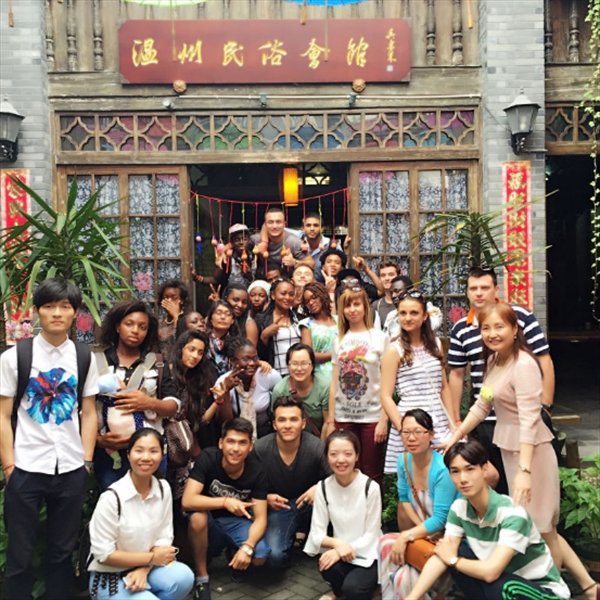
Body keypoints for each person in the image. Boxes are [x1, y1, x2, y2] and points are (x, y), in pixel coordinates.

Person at [442, 302, 598, 599]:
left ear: (515, 329)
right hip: (512, 451)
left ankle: (553, 592)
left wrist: (525, 471)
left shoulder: (524, 364)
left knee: (541, 527)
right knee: (541, 526)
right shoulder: (494, 361)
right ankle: (589, 587)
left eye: (499, 326)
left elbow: (529, 420)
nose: (492, 333)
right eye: (486, 328)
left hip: (533, 453)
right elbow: (482, 405)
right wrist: (456, 436)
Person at [0, 278, 99, 600]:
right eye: (49, 306)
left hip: (70, 467)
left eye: (65, 306)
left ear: (75, 312)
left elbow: (89, 412)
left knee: (61, 554)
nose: (57, 313)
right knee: (20, 555)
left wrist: (86, 461)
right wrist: (9, 466)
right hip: (26, 466)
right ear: (37, 311)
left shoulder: (84, 357)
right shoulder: (15, 357)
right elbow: (2, 415)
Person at [406, 439, 571, 600]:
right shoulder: (459, 508)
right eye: (455, 471)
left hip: (542, 591)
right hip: (499, 583)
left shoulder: (512, 514)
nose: (463, 479)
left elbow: (491, 572)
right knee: (461, 552)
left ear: (484, 469)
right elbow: (444, 553)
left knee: (500, 585)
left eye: (470, 469)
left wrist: (453, 560)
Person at [447, 265, 555, 494]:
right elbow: (461, 378)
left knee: (531, 503)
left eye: (484, 287)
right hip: (491, 427)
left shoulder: (520, 328)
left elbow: (544, 359)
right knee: (501, 491)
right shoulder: (491, 358)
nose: (479, 293)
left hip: (526, 430)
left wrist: (546, 406)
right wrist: (456, 426)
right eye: (473, 288)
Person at [87, 428, 194, 600]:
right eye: (139, 451)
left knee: (184, 577)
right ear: (128, 455)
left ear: (162, 454)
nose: (146, 457)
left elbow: (164, 537)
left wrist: (145, 568)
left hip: (148, 568)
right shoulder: (112, 498)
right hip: (110, 577)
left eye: (153, 451)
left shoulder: (163, 488)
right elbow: (103, 555)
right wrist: (151, 558)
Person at [94, 300, 179, 492]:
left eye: (142, 327)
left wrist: (148, 403)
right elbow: (85, 409)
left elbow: (173, 406)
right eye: (129, 324)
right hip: (110, 454)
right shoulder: (97, 361)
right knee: (113, 502)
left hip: (149, 451)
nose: (135, 331)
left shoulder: (157, 362)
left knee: (151, 501)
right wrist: (98, 441)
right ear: (117, 327)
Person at [182, 418, 271, 600]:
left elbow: (261, 518)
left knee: (260, 556)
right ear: (221, 443)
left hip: (235, 522)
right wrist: (225, 502)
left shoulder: (257, 470)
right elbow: (187, 501)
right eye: (231, 441)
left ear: (250, 446)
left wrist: (247, 547)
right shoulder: (208, 458)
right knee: (197, 517)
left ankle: (235, 552)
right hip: (209, 520)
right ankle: (202, 577)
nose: (236, 449)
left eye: (242, 443)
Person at [378, 409, 458, 600]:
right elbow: (404, 499)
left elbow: (441, 519)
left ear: (431, 435)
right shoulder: (404, 460)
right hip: (423, 533)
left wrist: (408, 535)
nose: (411, 438)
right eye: (405, 432)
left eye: (418, 432)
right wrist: (419, 529)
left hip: (445, 539)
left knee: (404, 578)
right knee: (386, 542)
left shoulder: (442, 470)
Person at [380, 290, 454, 474]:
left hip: (438, 417)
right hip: (410, 417)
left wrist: (453, 423)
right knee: (416, 477)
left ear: (424, 316)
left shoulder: (435, 342)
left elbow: (444, 387)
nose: (408, 318)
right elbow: (386, 396)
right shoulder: (394, 350)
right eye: (403, 313)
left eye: (414, 313)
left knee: (446, 470)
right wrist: (404, 429)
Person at [254, 395, 330, 568]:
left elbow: (338, 478)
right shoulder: (260, 448)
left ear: (303, 423)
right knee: (274, 557)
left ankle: (310, 533)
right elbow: (246, 484)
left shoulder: (316, 446)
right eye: (282, 420)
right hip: (281, 507)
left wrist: (320, 488)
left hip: (311, 504)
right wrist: (264, 498)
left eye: (293, 420)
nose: (288, 425)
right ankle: (293, 541)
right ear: (274, 424)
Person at [304, 429, 382, 600]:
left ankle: (371, 587)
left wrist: (341, 550)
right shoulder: (323, 488)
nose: (341, 460)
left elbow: (371, 535)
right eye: (334, 454)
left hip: (368, 554)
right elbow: (316, 534)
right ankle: (340, 593)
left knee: (354, 589)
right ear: (327, 457)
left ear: (357, 456)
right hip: (341, 551)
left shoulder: (370, 487)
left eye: (348, 454)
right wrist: (337, 545)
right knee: (327, 567)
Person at [324, 287, 389, 487]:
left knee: (371, 471)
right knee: (346, 469)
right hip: (344, 416)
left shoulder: (380, 338)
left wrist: (384, 419)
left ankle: (373, 508)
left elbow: (387, 382)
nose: (352, 310)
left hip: (372, 416)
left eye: (357, 304)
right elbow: (334, 382)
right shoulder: (338, 340)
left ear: (365, 306)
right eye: (347, 306)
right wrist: (331, 420)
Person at [168, 330, 220, 503]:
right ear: (181, 348)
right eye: (191, 349)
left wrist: (218, 401)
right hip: (165, 444)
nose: (195, 356)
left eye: (200, 352)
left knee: (182, 501)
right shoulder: (167, 374)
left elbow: (201, 420)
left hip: (184, 449)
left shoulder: (194, 380)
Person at [212, 337, 281, 440]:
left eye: (255, 358)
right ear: (232, 361)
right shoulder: (222, 382)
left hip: (266, 431)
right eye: (245, 359)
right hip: (236, 433)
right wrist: (226, 391)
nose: (251, 363)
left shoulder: (267, 375)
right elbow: (225, 422)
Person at [271, 343, 330, 436]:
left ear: (312, 366)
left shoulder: (325, 386)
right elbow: (278, 422)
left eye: (304, 363)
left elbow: (328, 422)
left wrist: (320, 445)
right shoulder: (280, 390)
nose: (299, 368)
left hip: (318, 438)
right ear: (288, 366)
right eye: (294, 364)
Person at [251, 206, 314, 279]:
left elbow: (312, 264)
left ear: (284, 224)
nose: (274, 226)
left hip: (288, 281)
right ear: (265, 224)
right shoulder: (256, 240)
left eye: (278, 222)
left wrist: (295, 262)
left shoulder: (293, 242)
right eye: (270, 222)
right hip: (263, 280)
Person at [255, 278, 301, 376]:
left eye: (291, 294)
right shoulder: (261, 320)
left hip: (298, 372)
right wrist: (264, 336)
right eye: (283, 293)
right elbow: (257, 353)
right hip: (273, 375)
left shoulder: (300, 319)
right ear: (273, 295)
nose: (287, 297)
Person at [191, 223, 253, 290]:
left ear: (249, 240)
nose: (241, 242)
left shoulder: (255, 256)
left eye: (244, 239)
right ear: (231, 242)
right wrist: (197, 278)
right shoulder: (226, 258)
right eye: (237, 240)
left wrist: (249, 276)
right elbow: (215, 279)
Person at [383, 276, 443, 340]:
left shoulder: (431, 311)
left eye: (397, 291)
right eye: (391, 293)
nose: (393, 296)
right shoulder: (391, 316)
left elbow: (431, 326)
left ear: (411, 290)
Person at [299, 281, 338, 379]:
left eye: (314, 297)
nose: (311, 303)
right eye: (307, 301)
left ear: (322, 296)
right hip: (321, 376)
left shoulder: (339, 320)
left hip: (342, 372)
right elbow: (308, 355)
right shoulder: (307, 324)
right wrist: (335, 354)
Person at [286, 212, 331, 282]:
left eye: (316, 225)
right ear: (303, 228)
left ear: (322, 228)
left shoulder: (331, 245)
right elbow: (278, 228)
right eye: (308, 225)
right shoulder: (297, 241)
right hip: (300, 284)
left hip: (324, 285)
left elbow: (343, 267)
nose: (312, 228)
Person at [205, 299, 241, 377]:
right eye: (218, 313)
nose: (223, 317)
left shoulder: (238, 343)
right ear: (210, 318)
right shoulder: (203, 340)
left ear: (232, 320)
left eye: (227, 314)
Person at [157, 279, 191, 358]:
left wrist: (176, 316)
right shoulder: (159, 323)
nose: (169, 301)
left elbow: (184, 342)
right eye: (165, 297)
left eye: (174, 298)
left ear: (181, 300)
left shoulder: (189, 320)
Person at [371, 260, 400, 328]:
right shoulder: (376, 305)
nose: (387, 278)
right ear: (379, 278)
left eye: (391, 274)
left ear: (398, 276)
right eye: (383, 275)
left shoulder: (407, 302)